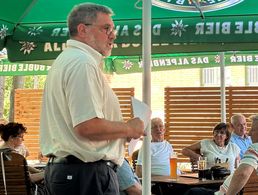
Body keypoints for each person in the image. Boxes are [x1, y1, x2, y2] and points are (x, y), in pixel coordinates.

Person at [39, 3, 144, 195]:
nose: (113, 34)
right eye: (106, 28)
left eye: (113, 29)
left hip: (75, 173)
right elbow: (87, 127)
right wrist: (129, 128)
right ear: (82, 29)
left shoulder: (68, 60)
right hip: (86, 175)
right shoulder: (82, 63)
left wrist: (119, 133)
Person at [215, 114, 258, 195]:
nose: (249, 133)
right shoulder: (228, 141)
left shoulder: (255, 147)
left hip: (241, 187)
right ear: (232, 126)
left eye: (253, 130)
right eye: (239, 125)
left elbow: (243, 173)